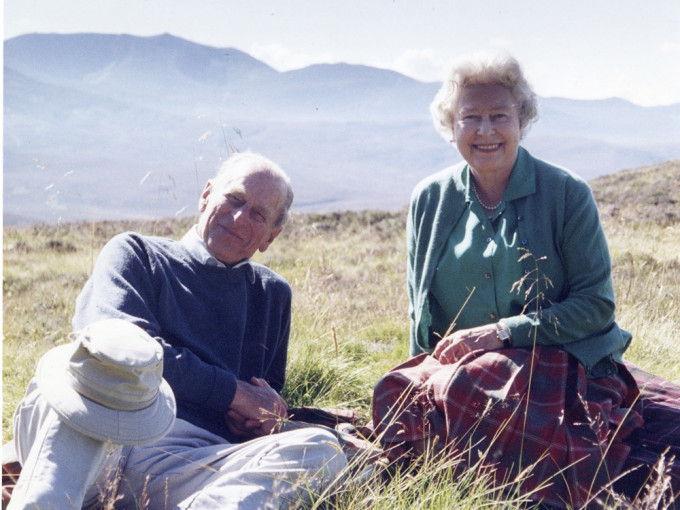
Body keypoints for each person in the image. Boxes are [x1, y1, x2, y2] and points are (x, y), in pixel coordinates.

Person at [371, 52, 680, 508]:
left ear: (523, 120)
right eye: (469, 117)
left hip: (560, 360)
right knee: (397, 395)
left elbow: (596, 306)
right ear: (450, 125)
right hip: (464, 373)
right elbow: (421, 310)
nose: (485, 130)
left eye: (500, 115)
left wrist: (501, 334)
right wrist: (423, 370)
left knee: (485, 380)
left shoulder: (566, 194)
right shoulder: (429, 199)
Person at [9, 152, 347, 509]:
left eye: (257, 214)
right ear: (206, 195)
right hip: (96, 433)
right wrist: (233, 393)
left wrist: (261, 423)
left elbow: (260, 399)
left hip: (186, 462)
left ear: (271, 237)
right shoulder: (136, 253)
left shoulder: (271, 294)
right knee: (72, 364)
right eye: (234, 199)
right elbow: (116, 350)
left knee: (322, 450)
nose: (238, 217)